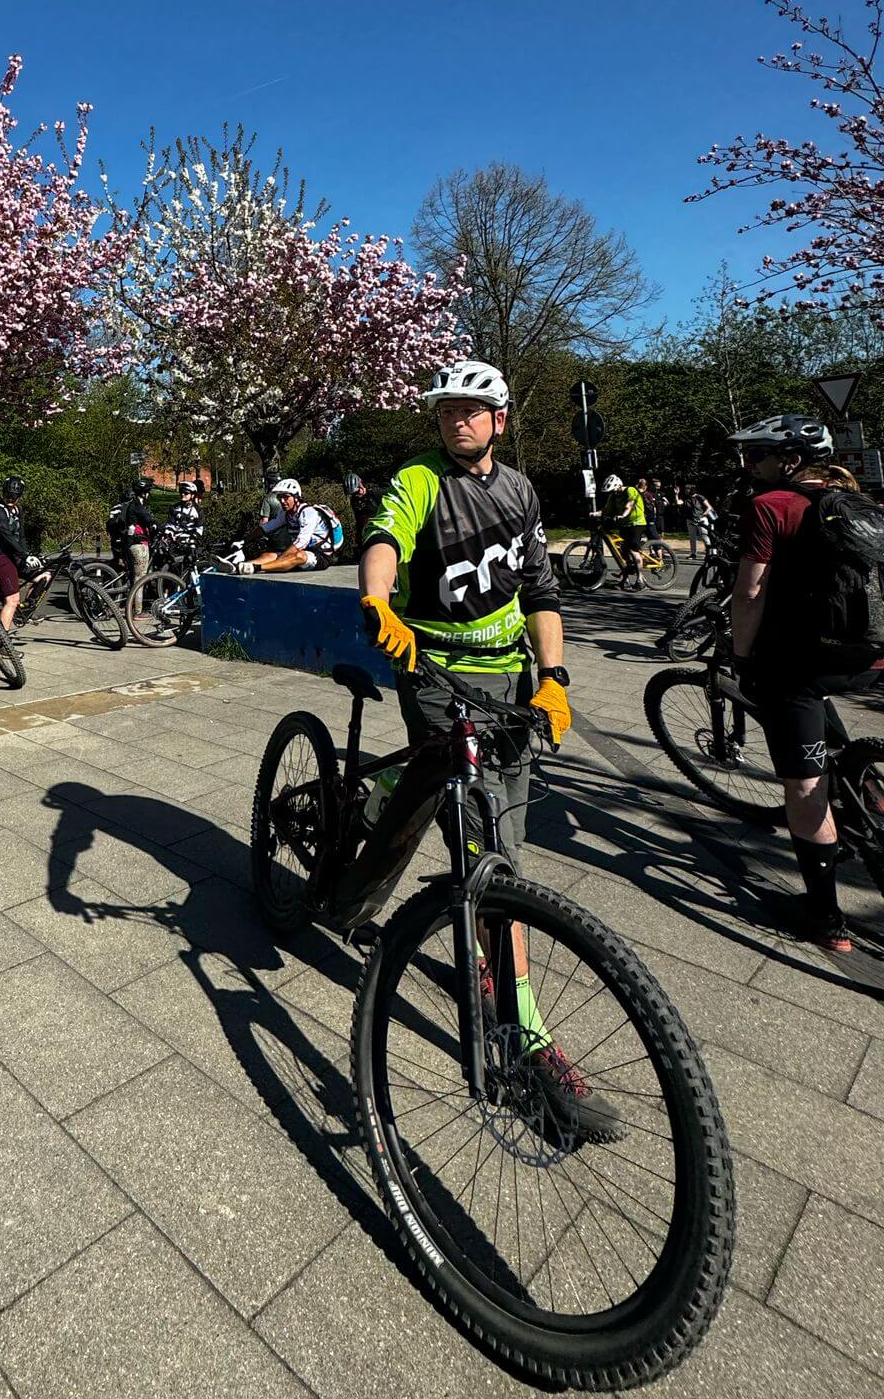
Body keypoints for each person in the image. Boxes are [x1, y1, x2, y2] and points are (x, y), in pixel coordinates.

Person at [358, 358, 622, 1141]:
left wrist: (556, 678)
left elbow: (540, 590)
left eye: (473, 410)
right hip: (434, 670)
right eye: (446, 410)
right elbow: (383, 541)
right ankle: (528, 1030)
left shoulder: (519, 490)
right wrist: (378, 601)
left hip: (510, 680)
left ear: (500, 420)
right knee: (487, 852)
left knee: (500, 828)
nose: (457, 420)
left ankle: (386, 793)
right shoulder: (418, 480)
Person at [727, 414, 868, 952]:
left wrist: (742, 655)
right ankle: (867, 797)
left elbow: (750, 594)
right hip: (869, 654)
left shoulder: (770, 506)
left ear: (787, 460)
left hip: (802, 660)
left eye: (757, 455)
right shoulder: (858, 498)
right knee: (831, 734)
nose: (750, 465)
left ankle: (828, 920)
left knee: (806, 788)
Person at [0, 475, 46, 640]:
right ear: (3, 492)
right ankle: (1, 642)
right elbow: (6, 535)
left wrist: (27, 555)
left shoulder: (17, 510)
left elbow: (20, 536)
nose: (10, 498)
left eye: (14, 495)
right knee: (12, 598)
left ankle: (24, 611)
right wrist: (24, 555)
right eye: (8, 494)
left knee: (44, 575)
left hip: (10, 554)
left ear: (19, 496)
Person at [244, 478, 338, 572]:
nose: (282, 501)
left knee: (298, 555)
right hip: (301, 552)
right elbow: (265, 528)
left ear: (296, 497)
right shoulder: (286, 514)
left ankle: (255, 568)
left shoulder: (308, 512)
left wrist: (281, 559)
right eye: (279, 497)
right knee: (269, 555)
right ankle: (243, 566)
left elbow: (302, 542)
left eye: (286, 497)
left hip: (320, 556)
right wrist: (243, 542)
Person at [106, 478, 158, 585]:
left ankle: (114, 582)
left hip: (116, 541)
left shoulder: (115, 507)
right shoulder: (132, 506)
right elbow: (146, 520)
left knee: (122, 565)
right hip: (128, 539)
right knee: (137, 572)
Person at [600, 474, 647, 589]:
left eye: (614, 490)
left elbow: (629, 505)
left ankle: (640, 579)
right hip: (624, 524)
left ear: (619, 485)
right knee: (623, 552)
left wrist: (623, 515)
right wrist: (594, 514)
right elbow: (606, 510)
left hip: (637, 523)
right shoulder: (613, 496)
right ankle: (625, 580)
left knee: (633, 550)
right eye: (611, 491)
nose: (613, 493)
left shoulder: (631, 490)